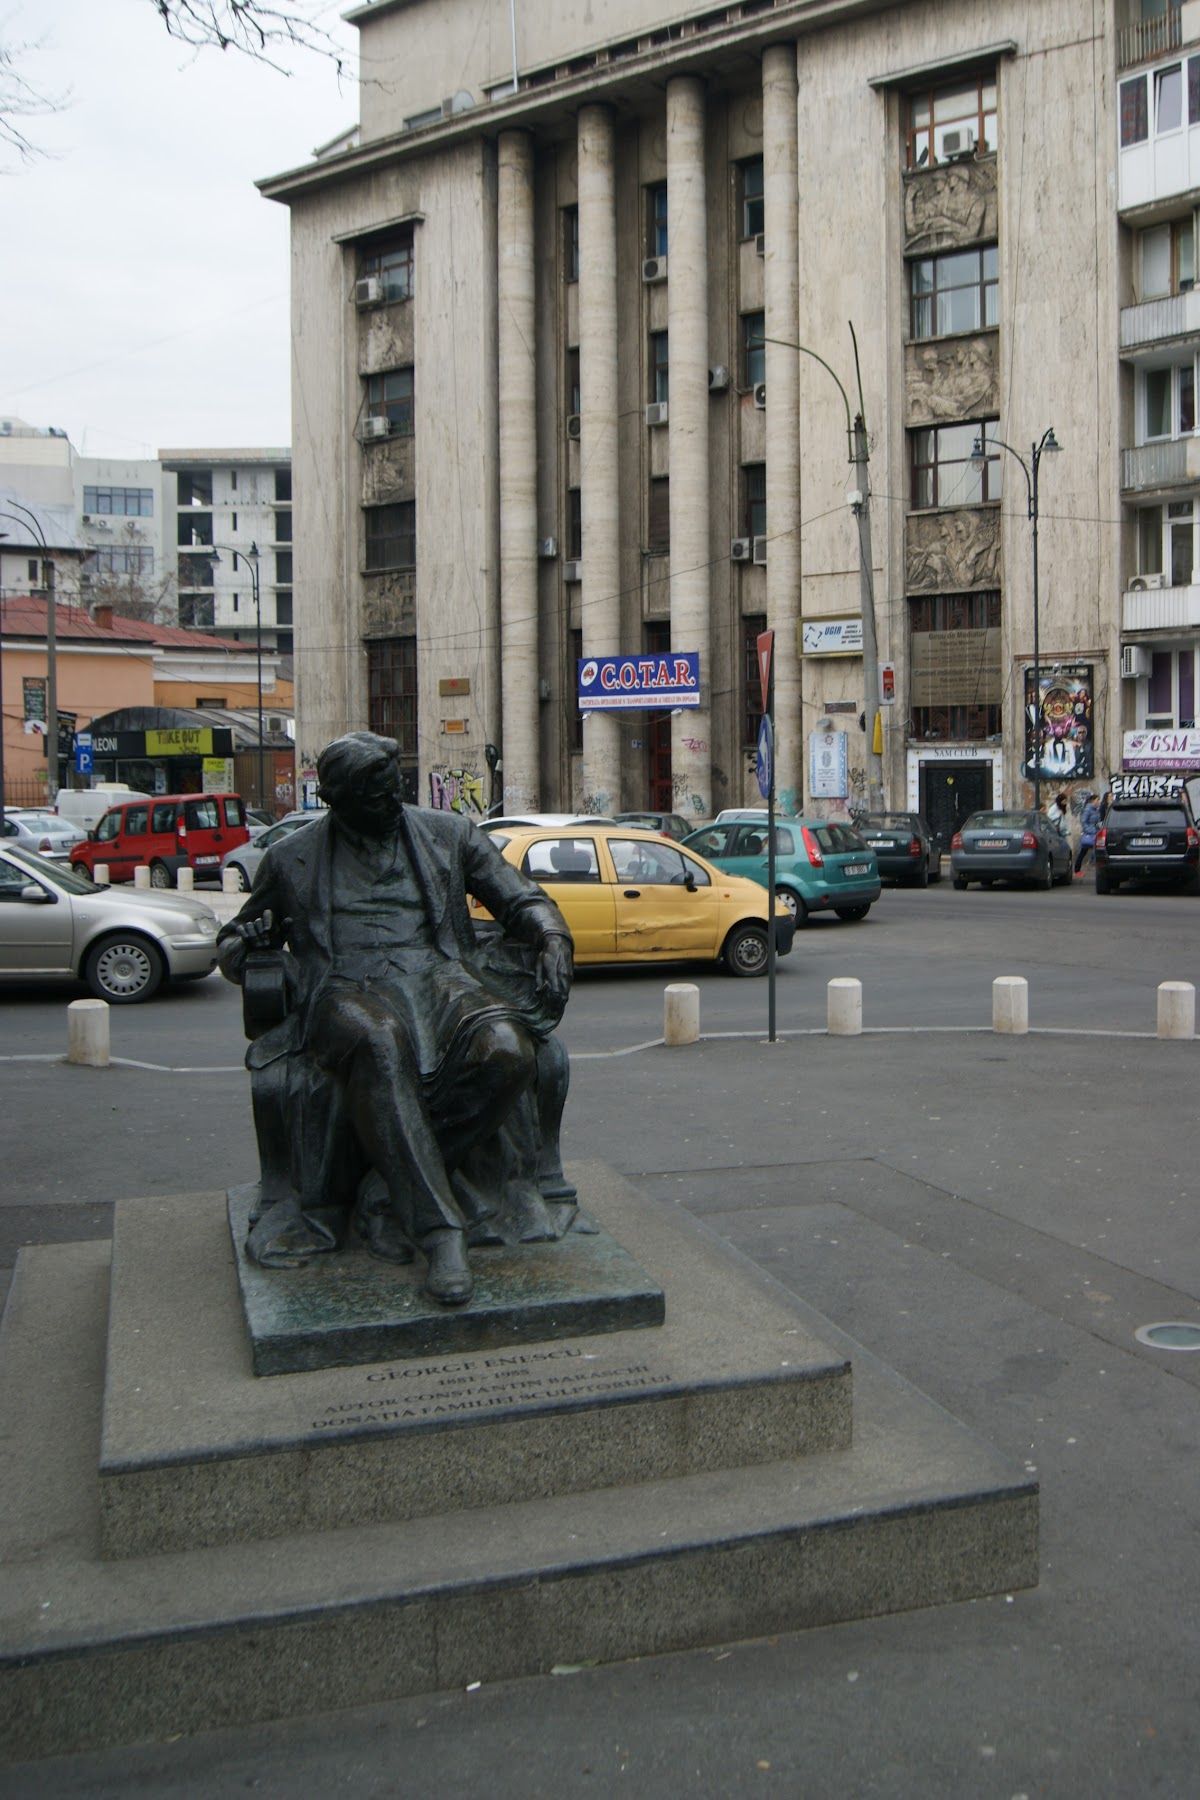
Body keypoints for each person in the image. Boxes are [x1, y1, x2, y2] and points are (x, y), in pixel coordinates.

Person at [217, 731, 574, 1307]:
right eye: (377, 796)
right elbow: (234, 943)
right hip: (344, 987)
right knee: (379, 1040)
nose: (392, 803)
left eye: (395, 789)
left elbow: (519, 896)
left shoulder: (448, 833)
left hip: (439, 978)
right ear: (338, 799)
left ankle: (386, 1188)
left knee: (508, 1048)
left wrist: (550, 935)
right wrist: (245, 943)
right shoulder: (292, 856)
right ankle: (442, 1233)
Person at [1074, 791, 1102, 875]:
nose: (1098, 802)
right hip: (1090, 834)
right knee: (1083, 852)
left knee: (1094, 851)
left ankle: (1090, 866)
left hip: (1095, 833)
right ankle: (1077, 869)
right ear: (1092, 801)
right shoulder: (1088, 810)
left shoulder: (1095, 810)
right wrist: (1090, 830)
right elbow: (1083, 822)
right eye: (1097, 800)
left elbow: (1096, 822)